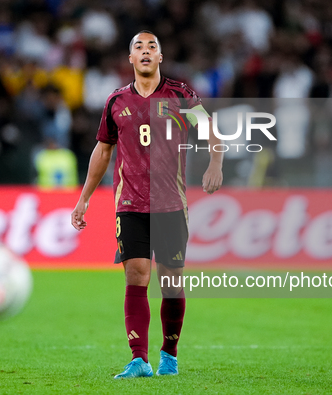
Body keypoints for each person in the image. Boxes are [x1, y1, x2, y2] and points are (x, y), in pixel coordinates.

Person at [71, 31, 223, 379]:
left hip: (171, 203)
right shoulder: (115, 102)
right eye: (138, 47)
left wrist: (216, 164)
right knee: (136, 276)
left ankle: (169, 354)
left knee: (170, 282)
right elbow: (103, 151)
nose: (144, 52)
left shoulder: (182, 95)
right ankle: (139, 359)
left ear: (160, 57)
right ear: (130, 59)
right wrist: (84, 199)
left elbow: (210, 130)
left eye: (151, 47)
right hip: (130, 203)